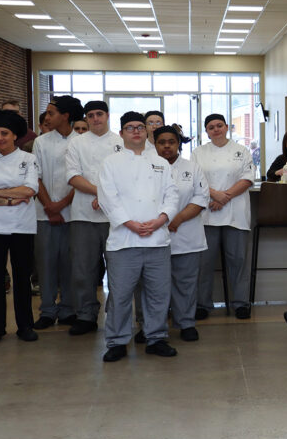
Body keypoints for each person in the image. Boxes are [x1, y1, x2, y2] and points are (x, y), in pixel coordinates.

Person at [97, 112, 180, 361]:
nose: (136, 131)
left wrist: (161, 219)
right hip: (124, 240)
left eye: (140, 127)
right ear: (121, 133)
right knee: (120, 295)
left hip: (157, 239)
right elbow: (107, 198)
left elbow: (172, 196)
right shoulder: (110, 163)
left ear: (147, 132)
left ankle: (155, 337)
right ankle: (117, 341)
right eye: (130, 128)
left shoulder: (161, 163)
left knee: (158, 294)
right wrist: (130, 223)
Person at [0, 110, 39, 344]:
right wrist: (10, 199)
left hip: (22, 226)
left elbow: (29, 190)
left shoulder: (28, 159)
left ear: (15, 136)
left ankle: (25, 325)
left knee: (22, 277)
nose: (0, 138)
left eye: (5, 133)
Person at [65, 100, 124, 336]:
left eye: (99, 114)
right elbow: (72, 176)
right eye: (91, 115)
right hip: (83, 214)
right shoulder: (75, 143)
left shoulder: (120, 143)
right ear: (86, 118)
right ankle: (86, 315)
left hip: (116, 217)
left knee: (119, 268)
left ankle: (117, 314)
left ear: (107, 116)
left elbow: (126, 176)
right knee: (83, 269)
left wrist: (106, 197)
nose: (95, 118)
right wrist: (100, 193)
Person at [191, 114, 255, 320]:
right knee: (204, 262)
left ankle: (241, 303)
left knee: (238, 260)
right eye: (211, 127)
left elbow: (247, 179)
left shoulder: (241, 150)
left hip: (236, 213)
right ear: (206, 131)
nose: (216, 129)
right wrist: (215, 195)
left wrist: (224, 197)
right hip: (207, 213)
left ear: (227, 127)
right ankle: (202, 304)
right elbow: (195, 180)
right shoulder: (198, 152)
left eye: (219, 125)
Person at [32, 95, 83, 329]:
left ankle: (68, 309)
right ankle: (47, 309)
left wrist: (61, 204)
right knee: (46, 263)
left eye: (52, 113)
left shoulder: (81, 142)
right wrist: (50, 207)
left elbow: (82, 179)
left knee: (70, 264)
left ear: (65, 116)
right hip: (45, 213)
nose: (48, 117)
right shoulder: (41, 142)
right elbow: (37, 176)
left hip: (73, 212)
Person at [154, 124, 208, 341]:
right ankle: (152, 326)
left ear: (178, 144)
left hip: (187, 233)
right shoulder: (147, 166)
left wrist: (177, 219)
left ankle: (185, 323)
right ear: (154, 144)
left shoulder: (192, 167)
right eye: (162, 142)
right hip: (155, 234)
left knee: (185, 281)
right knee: (154, 284)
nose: (167, 146)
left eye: (171, 142)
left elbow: (200, 198)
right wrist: (163, 220)